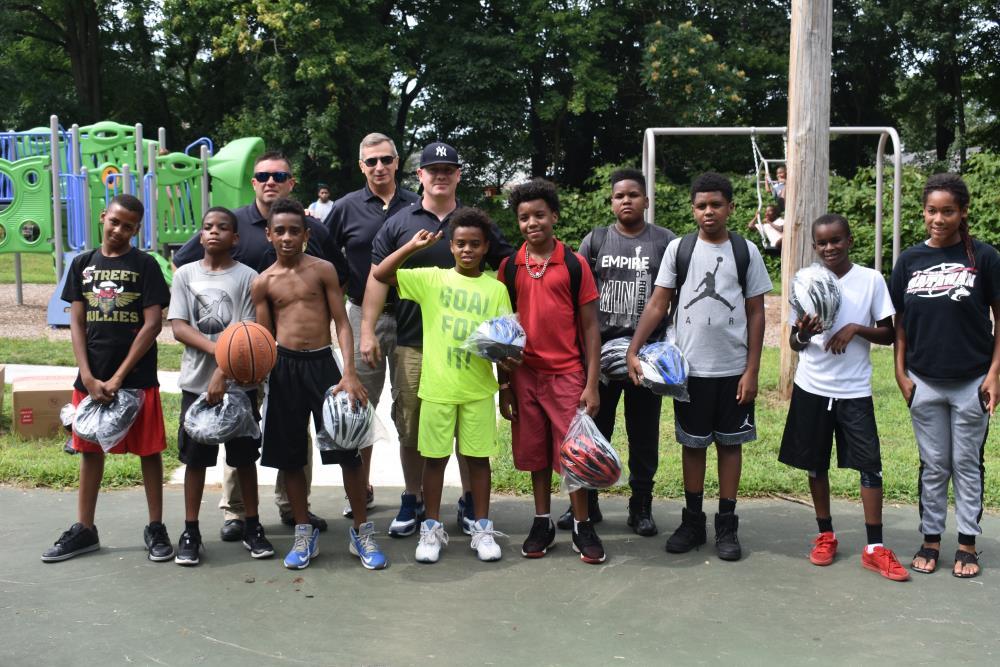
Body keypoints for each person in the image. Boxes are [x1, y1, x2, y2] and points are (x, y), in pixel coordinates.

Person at [173, 150, 348, 540]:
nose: (271, 181)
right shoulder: (231, 222)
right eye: (264, 176)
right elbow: (186, 264)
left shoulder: (312, 228)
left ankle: (293, 507)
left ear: (291, 183)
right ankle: (236, 512)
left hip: (293, 354)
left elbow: (339, 278)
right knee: (238, 425)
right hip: (244, 354)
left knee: (295, 432)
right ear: (253, 182)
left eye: (279, 176)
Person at [363, 141, 514, 538]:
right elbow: (378, 276)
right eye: (434, 170)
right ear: (421, 175)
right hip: (414, 341)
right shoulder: (400, 222)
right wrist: (366, 330)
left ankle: (469, 500)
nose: (441, 175)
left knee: (470, 432)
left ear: (458, 175)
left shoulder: (474, 223)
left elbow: (510, 266)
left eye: (449, 169)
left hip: (468, 351)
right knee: (413, 426)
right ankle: (413, 498)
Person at [627, 172, 771, 561]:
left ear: (731, 208)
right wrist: (634, 349)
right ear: (693, 210)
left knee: (730, 445)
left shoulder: (745, 251)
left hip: (733, 370)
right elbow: (659, 303)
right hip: (688, 373)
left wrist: (752, 370)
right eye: (702, 205)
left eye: (716, 205)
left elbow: (756, 313)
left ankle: (727, 524)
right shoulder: (680, 249)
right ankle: (692, 522)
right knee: (693, 446)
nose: (709, 211)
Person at [252, 198, 383, 570]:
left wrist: (349, 372)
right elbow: (263, 338)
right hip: (284, 369)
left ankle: (362, 530)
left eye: (294, 231)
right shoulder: (263, 283)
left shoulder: (323, 270)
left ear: (306, 235)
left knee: (348, 450)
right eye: (280, 231)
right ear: (269, 234)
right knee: (291, 456)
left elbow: (341, 322)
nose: (287, 237)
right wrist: (258, 375)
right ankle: (303, 530)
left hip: (325, 367)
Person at [42, 194, 173, 563]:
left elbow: (153, 324)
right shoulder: (82, 263)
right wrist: (87, 375)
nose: (119, 230)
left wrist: (118, 377)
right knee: (89, 452)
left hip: (137, 378)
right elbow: (77, 322)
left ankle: (156, 526)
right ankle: (85, 528)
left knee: (149, 451)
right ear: (103, 217)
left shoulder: (145, 265)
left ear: (137, 229)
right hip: (92, 377)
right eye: (114, 221)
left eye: (128, 226)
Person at [780, 214, 908, 581]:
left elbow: (888, 333)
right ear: (814, 247)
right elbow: (794, 342)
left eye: (836, 240)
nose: (829, 247)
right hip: (812, 387)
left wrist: (854, 328)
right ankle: (826, 535)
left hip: (854, 391)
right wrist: (804, 333)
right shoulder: (806, 282)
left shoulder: (870, 279)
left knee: (870, 466)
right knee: (815, 464)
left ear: (849, 240)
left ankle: (875, 548)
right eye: (822, 243)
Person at [890, 173, 1000, 579]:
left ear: (963, 212)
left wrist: (995, 374)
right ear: (924, 212)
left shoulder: (984, 257)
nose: (939, 219)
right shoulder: (909, 260)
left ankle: (967, 543)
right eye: (931, 211)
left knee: (966, 463)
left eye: (948, 211)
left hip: (973, 381)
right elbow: (900, 324)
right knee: (935, 464)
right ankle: (931, 539)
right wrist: (900, 373)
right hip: (924, 381)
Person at [497, 179, 603, 563]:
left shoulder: (574, 264)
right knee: (535, 453)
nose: (532, 223)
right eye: (524, 217)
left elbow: (590, 327)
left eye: (539, 215)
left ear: (554, 216)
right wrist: (504, 385)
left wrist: (592, 383)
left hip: (567, 375)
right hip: (524, 376)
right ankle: (542, 521)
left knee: (575, 453)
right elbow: (502, 332)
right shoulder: (509, 267)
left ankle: (582, 524)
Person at [570, 168, 675, 537]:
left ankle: (641, 505)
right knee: (595, 430)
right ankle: (589, 502)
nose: (626, 200)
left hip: (645, 359)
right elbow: (577, 296)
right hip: (599, 357)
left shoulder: (665, 241)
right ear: (611, 202)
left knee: (643, 433)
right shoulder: (596, 241)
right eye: (619, 196)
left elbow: (674, 296)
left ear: (646, 200)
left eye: (633, 194)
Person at [168, 207, 274, 566]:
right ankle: (191, 531)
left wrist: (225, 372)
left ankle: (252, 525)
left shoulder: (248, 277)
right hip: (196, 383)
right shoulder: (185, 275)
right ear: (201, 236)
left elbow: (248, 332)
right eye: (208, 227)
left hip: (240, 386)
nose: (214, 232)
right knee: (195, 460)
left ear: (236, 238)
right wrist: (219, 355)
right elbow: (179, 327)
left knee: (243, 459)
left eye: (223, 227)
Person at [327, 132, 419, 519]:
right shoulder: (345, 207)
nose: (379, 167)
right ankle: (359, 489)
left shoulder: (417, 204)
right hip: (362, 316)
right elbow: (323, 253)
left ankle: (413, 494)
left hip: (412, 316)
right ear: (361, 166)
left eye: (386, 159)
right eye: (371, 161)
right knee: (359, 404)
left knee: (411, 407)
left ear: (397, 162)